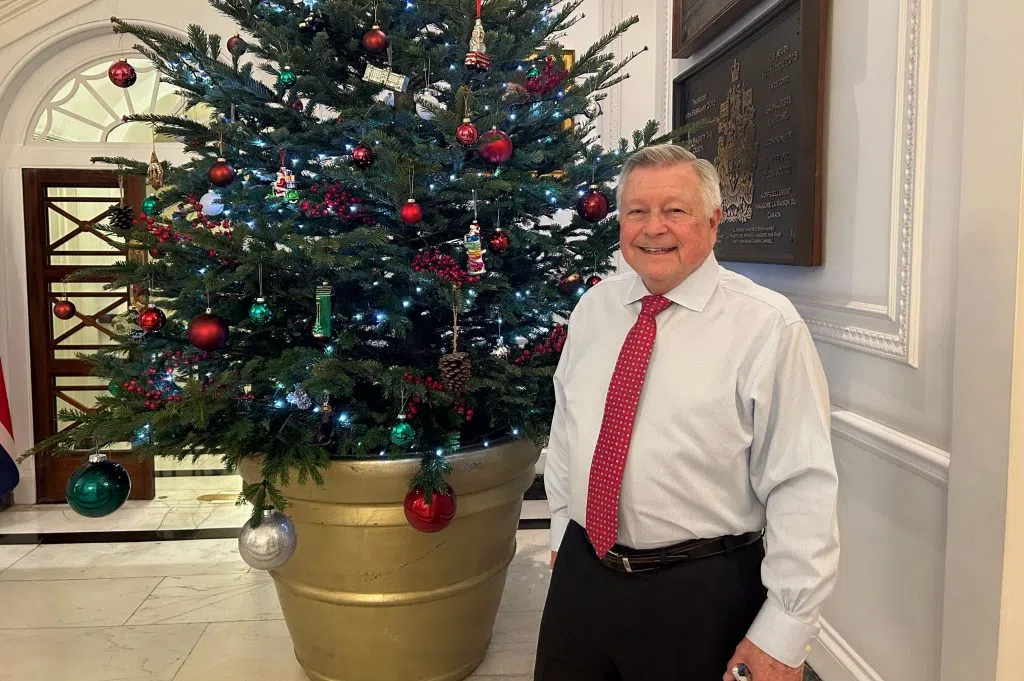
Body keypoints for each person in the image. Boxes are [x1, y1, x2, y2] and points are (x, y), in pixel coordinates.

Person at [535, 144, 840, 681]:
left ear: (713, 221)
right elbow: (568, 430)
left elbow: (802, 485)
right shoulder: (594, 308)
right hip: (583, 579)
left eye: (674, 210)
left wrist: (784, 634)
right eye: (637, 211)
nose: (654, 228)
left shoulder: (767, 327)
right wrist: (564, 533)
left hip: (700, 593)